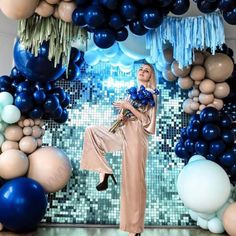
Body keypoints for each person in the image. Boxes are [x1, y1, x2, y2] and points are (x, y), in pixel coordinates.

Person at [80, 63, 157, 236]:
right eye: (141, 69)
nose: (142, 72)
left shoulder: (152, 94)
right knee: (92, 132)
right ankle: (104, 170)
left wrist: (129, 108)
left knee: (134, 182)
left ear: (151, 76)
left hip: (137, 137)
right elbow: (128, 116)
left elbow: (146, 120)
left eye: (147, 71)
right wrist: (121, 116)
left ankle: (134, 229)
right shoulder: (132, 93)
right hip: (123, 131)